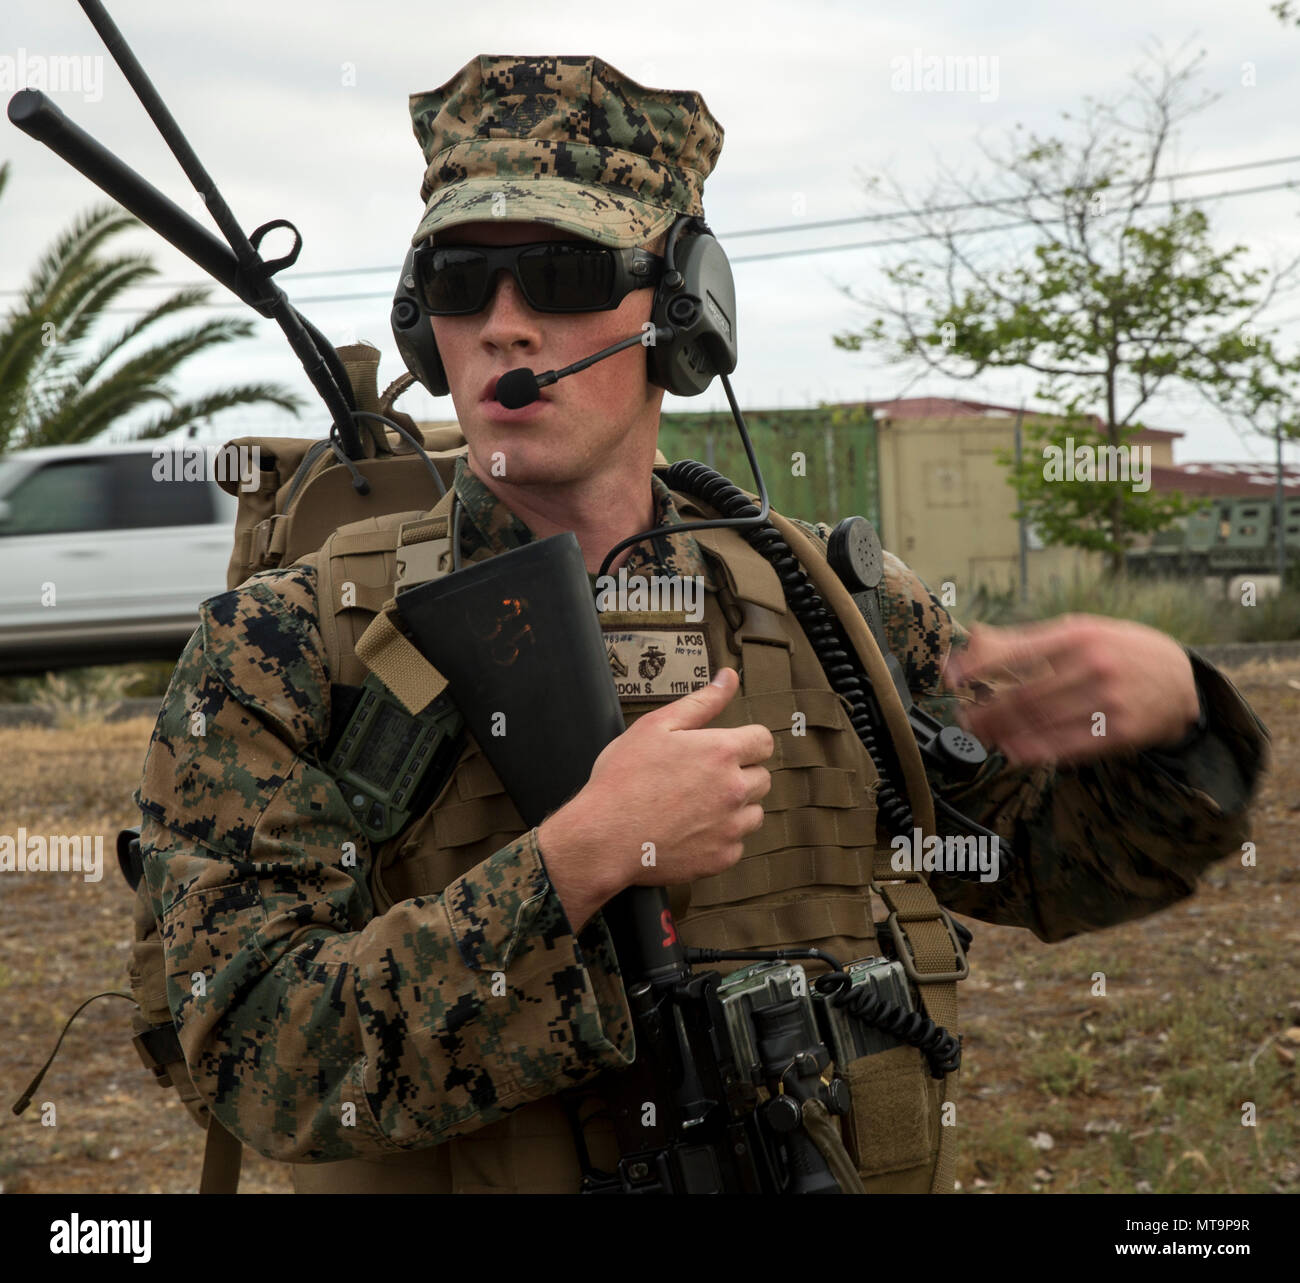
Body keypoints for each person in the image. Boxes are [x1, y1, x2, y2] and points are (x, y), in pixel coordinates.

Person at [134, 55, 1268, 1195]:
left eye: (565, 271)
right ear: (421, 326)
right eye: (461, 283)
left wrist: (1177, 721)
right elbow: (243, 1053)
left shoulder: (837, 606)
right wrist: (576, 862)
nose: (505, 326)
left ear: (682, 313)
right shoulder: (286, 647)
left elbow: (1048, 870)